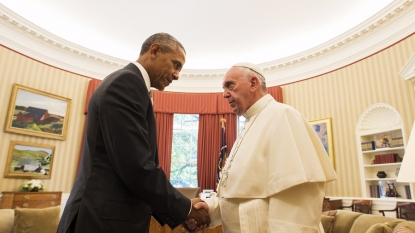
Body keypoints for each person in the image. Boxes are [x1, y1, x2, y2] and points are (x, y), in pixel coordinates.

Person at [57, 33, 209, 233]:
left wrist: (180, 209)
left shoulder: (131, 85)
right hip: (102, 222)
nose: (176, 74)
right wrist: (185, 209)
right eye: (176, 64)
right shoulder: (126, 84)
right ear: (154, 51)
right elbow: (136, 166)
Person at [186, 62, 337, 233]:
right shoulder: (250, 125)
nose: (224, 95)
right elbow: (241, 197)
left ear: (253, 83)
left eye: (230, 85)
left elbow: (296, 198)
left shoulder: (282, 115)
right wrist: (210, 209)